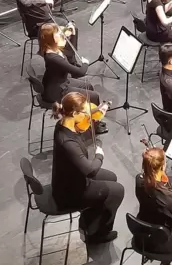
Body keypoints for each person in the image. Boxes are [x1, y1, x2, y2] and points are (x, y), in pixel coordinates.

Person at [51, 92, 123, 244]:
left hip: (72, 177)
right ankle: (98, 234)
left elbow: (81, 134)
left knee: (112, 178)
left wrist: (97, 116)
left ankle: (90, 217)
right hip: (70, 192)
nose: (88, 114)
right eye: (85, 112)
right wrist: (99, 156)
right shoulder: (67, 142)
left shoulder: (64, 125)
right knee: (117, 191)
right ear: (74, 113)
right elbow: (90, 171)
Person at [39, 23, 107, 134]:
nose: (60, 33)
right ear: (51, 38)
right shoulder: (53, 58)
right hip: (57, 91)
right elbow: (80, 72)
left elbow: (70, 54)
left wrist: (73, 35)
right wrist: (85, 63)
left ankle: (86, 116)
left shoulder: (53, 48)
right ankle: (94, 124)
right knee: (95, 96)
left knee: (88, 85)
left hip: (61, 82)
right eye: (57, 33)